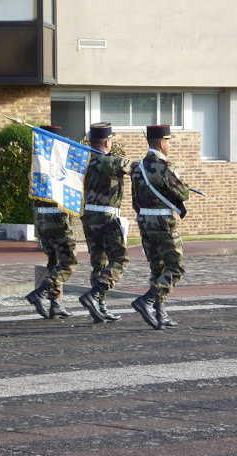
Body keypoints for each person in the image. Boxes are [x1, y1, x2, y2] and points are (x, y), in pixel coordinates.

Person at [130, 124, 190, 330]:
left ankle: (160, 313)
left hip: (145, 223)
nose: (170, 146)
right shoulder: (165, 167)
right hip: (164, 223)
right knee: (176, 266)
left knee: (157, 269)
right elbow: (183, 193)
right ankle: (147, 301)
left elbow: (134, 201)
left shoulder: (138, 168)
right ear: (162, 143)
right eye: (169, 142)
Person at [78, 122, 133, 323]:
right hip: (108, 218)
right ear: (108, 142)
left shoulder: (84, 160)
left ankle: (98, 306)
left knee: (98, 263)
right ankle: (95, 295)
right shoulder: (113, 162)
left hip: (88, 217)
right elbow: (136, 168)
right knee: (120, 259)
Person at [24, 125, 76, 320]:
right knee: (69, 261)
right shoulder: (57, 166)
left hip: (41, 219)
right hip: (57, 219)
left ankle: (55, 304)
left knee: (53, 262)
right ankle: (41, 293)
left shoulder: (36, 165)